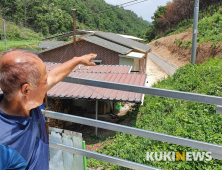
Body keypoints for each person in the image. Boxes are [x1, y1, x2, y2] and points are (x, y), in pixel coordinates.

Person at [0, 50, 97, 170]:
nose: (48, 84)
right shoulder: (4, 142)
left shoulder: (27, 102)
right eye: (44, 82)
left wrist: (78, 60)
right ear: (26, 90)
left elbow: (55, 75)